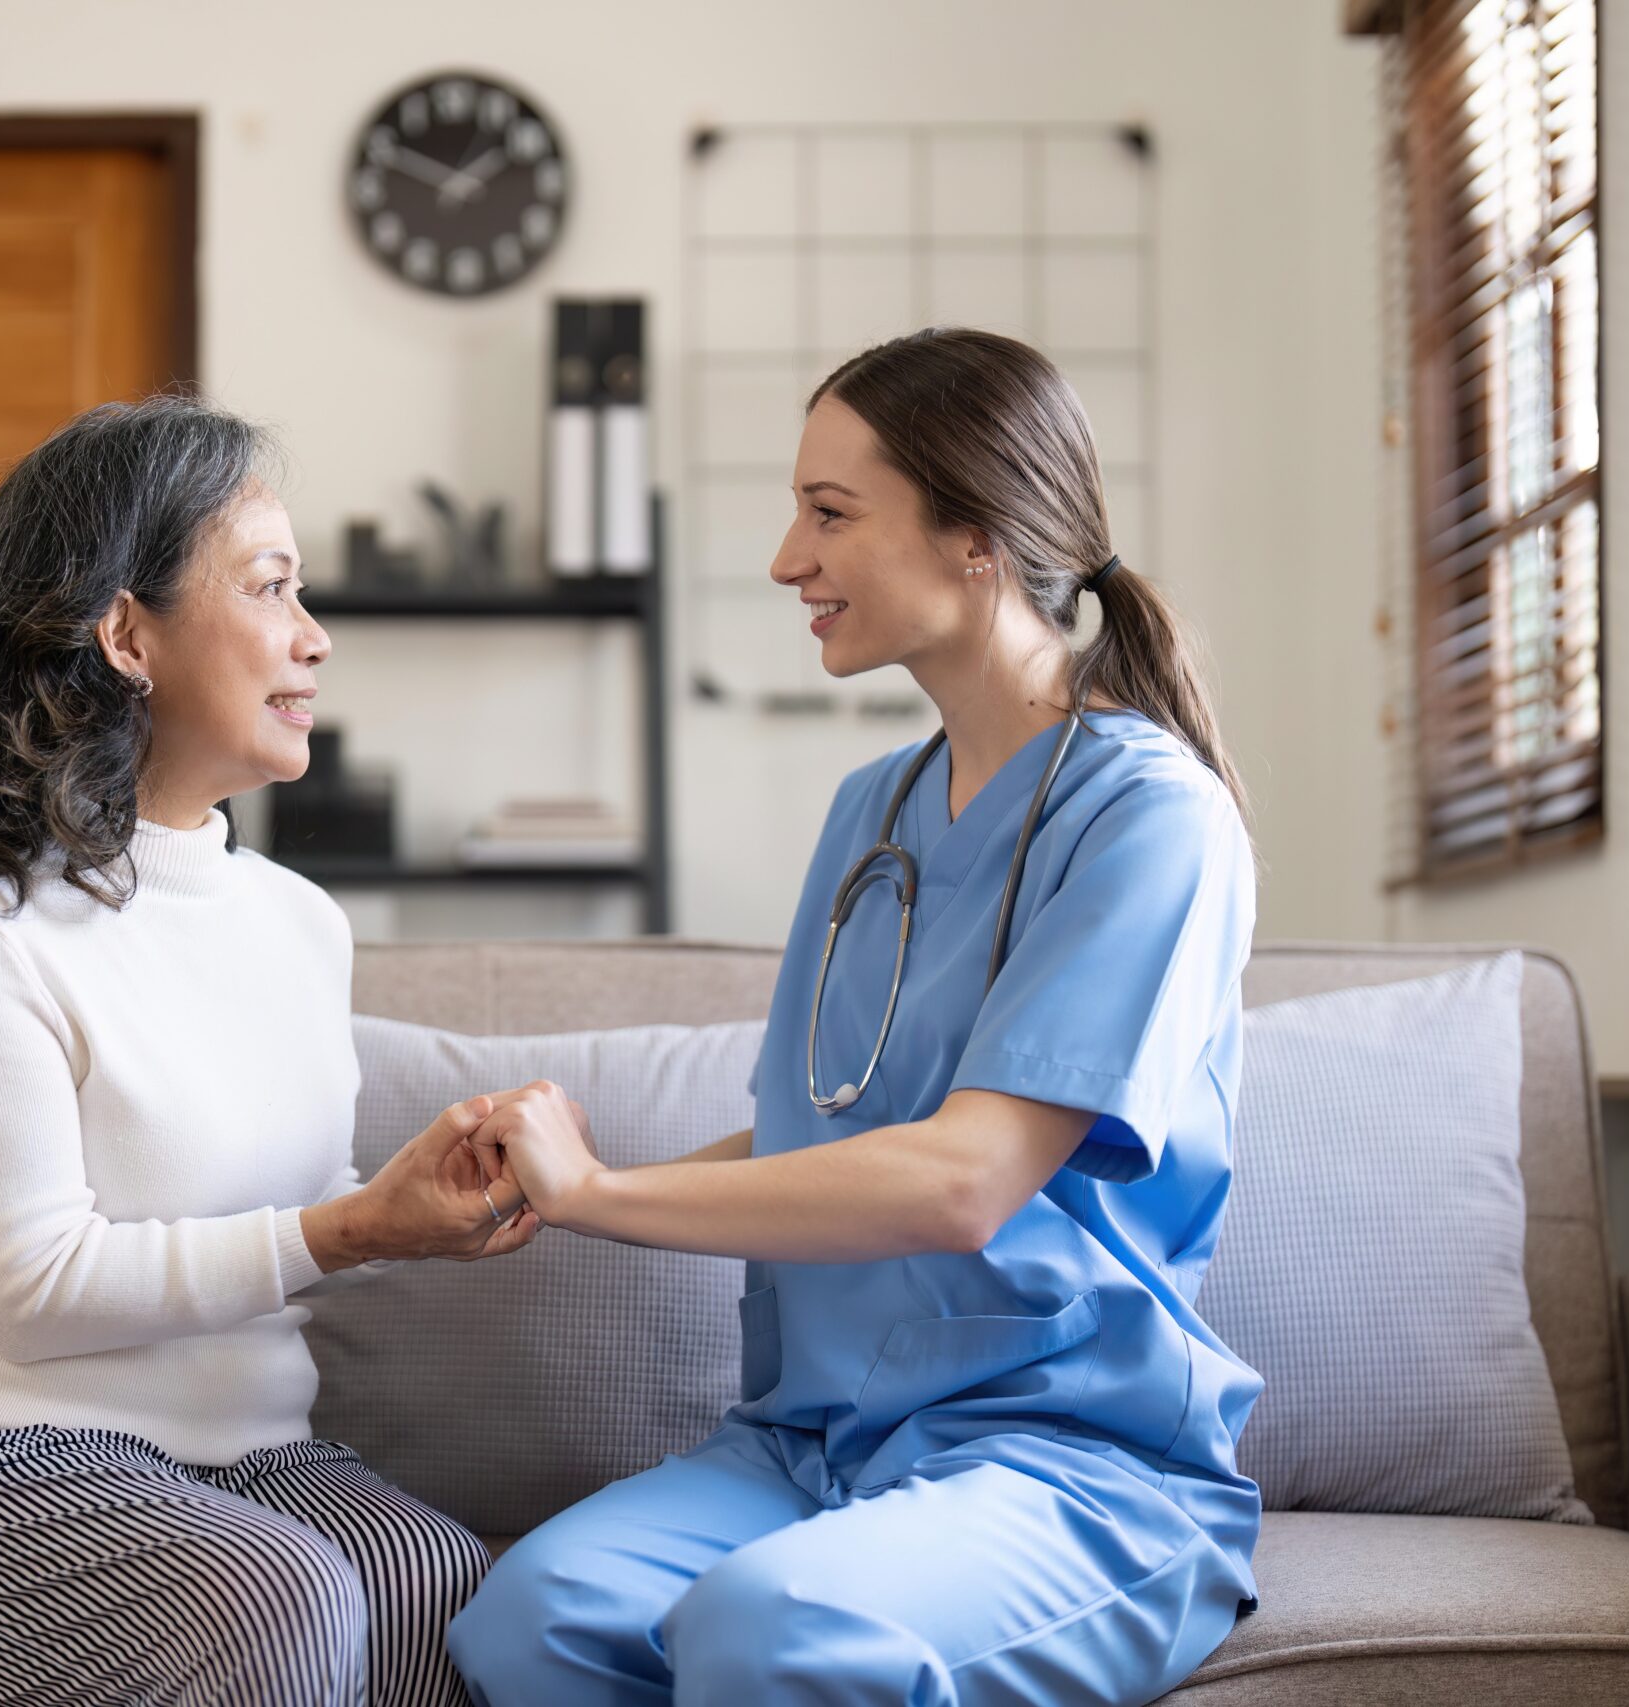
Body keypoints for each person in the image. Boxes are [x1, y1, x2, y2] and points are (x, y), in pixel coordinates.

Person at [449, 328, 1263, 1707]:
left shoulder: (1151, 817)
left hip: (1068, 1463)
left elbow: (960, 1182)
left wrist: (600, 1193)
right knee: (532, 1620)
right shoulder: (869, 814)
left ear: (975, 537)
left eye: (830, 513)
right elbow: (813, 1133)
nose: (785, 558)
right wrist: (571, 1185)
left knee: (775, 1629)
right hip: (814, 1444)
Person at [0, 395, 539, 1707]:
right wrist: (354, 1228)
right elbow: (31, 1293)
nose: (316, 637)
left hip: (237, 1459)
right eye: (273, 587)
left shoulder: (301, 927)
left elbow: (261, 1240)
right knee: (278, 1605)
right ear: (126, 633)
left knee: (443, 1592)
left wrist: (435, 1202)